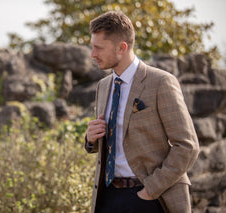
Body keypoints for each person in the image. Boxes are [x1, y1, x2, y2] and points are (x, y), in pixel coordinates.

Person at [85, 11, 199, 213]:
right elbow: (112, 142)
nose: (93, 54)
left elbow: (187, 146)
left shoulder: (160, 82)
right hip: (107, 197)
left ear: (122, 47)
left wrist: (150, 190)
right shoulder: (103, 86)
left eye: (98, 48)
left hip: (151, 198)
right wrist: (90, 139)